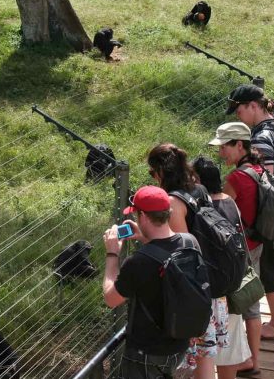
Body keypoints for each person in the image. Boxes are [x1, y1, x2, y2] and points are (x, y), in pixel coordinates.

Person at [224, 85, 274, 339]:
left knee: (269, 271)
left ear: (253, 106)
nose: (239, 116)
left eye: (239, 111)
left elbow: (264, 181)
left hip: (267, 215)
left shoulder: (260, 138)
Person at [147, 143, 228, 379]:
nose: (153, 178)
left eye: (152, 173)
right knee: (205, 357)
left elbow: (183, 250)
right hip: (212, 282)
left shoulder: (173, 202)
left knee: (193, 358)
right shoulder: (200, 189)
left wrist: (146, 238)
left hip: (194, 290)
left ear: (161, 171)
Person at [102, 185, 191, 378]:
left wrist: (112, 254)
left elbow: (111, 299)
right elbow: (165, 251)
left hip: (146, 353)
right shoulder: (189, 242)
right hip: (179, 344)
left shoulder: (139, 261)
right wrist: (144, 237)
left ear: (142, 216)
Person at [192, 157, 252, 379]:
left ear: (197, 180)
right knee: (229, 348)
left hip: (217, 290)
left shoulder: (207, 210)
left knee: (209, 351)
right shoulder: (229, 201)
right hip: (234, 281)